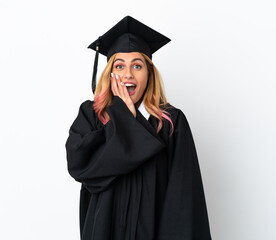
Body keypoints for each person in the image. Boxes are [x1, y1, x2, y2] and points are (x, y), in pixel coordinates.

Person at [65, 16, 212, 240]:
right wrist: (123, 117)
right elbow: (82, 168)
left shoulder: (171, 122)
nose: (128, 74)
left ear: (149, 73)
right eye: (120, 65)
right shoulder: (92, 116)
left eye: (137, 65)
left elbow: (183, 199)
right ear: (109, 73)